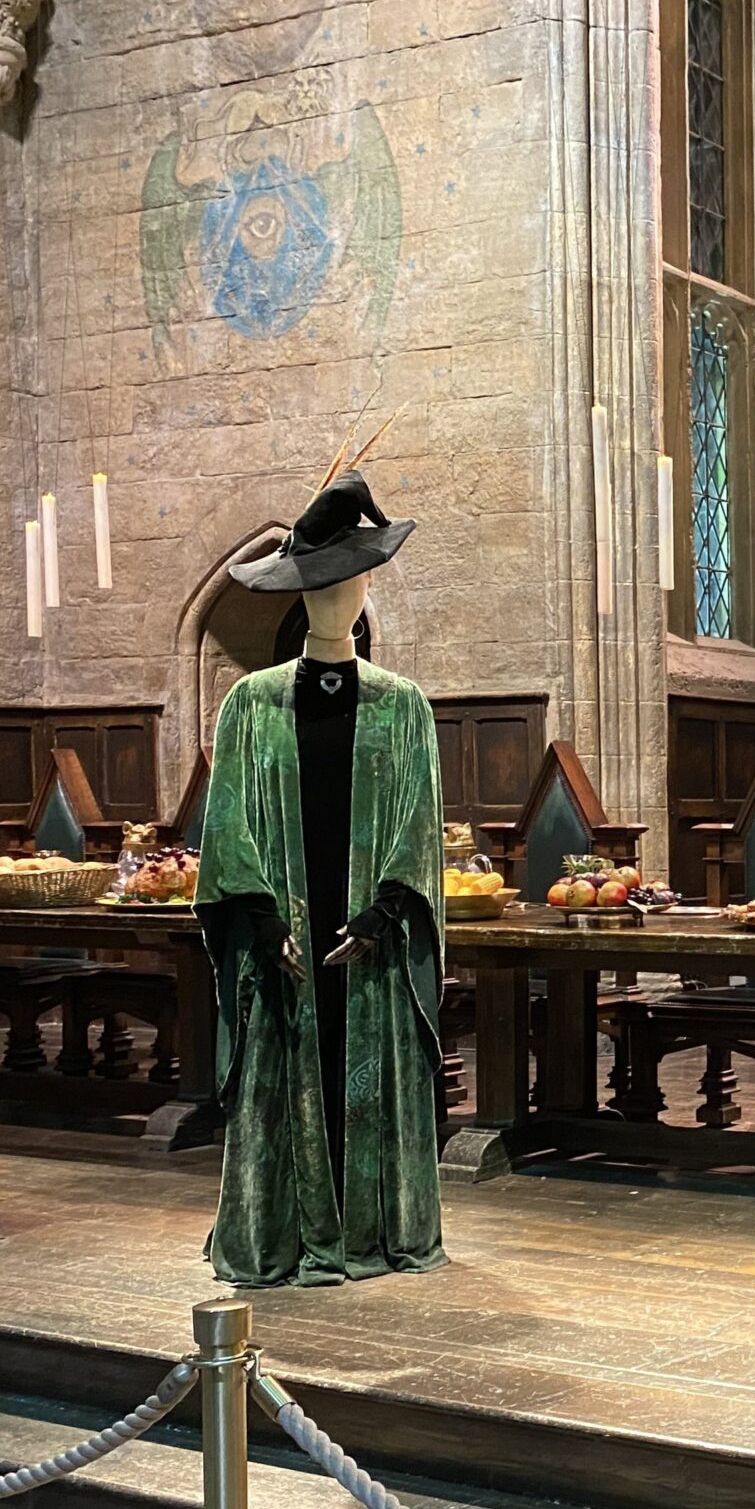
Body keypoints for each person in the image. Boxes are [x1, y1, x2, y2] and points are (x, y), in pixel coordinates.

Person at [198, 469, 447, 1288]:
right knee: (288, 1071)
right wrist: (263, 920)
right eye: (319, 585)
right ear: (298, 593)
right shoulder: (250, 704)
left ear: (369, 585)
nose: (336, 599)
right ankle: (282, 1229)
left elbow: (418, 825)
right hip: (287, 949)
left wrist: (384, 912)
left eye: (348, 581)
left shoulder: (404, 706)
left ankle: (375, 1230)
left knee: (364, 1073)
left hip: (367, 948)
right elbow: (227, 824)